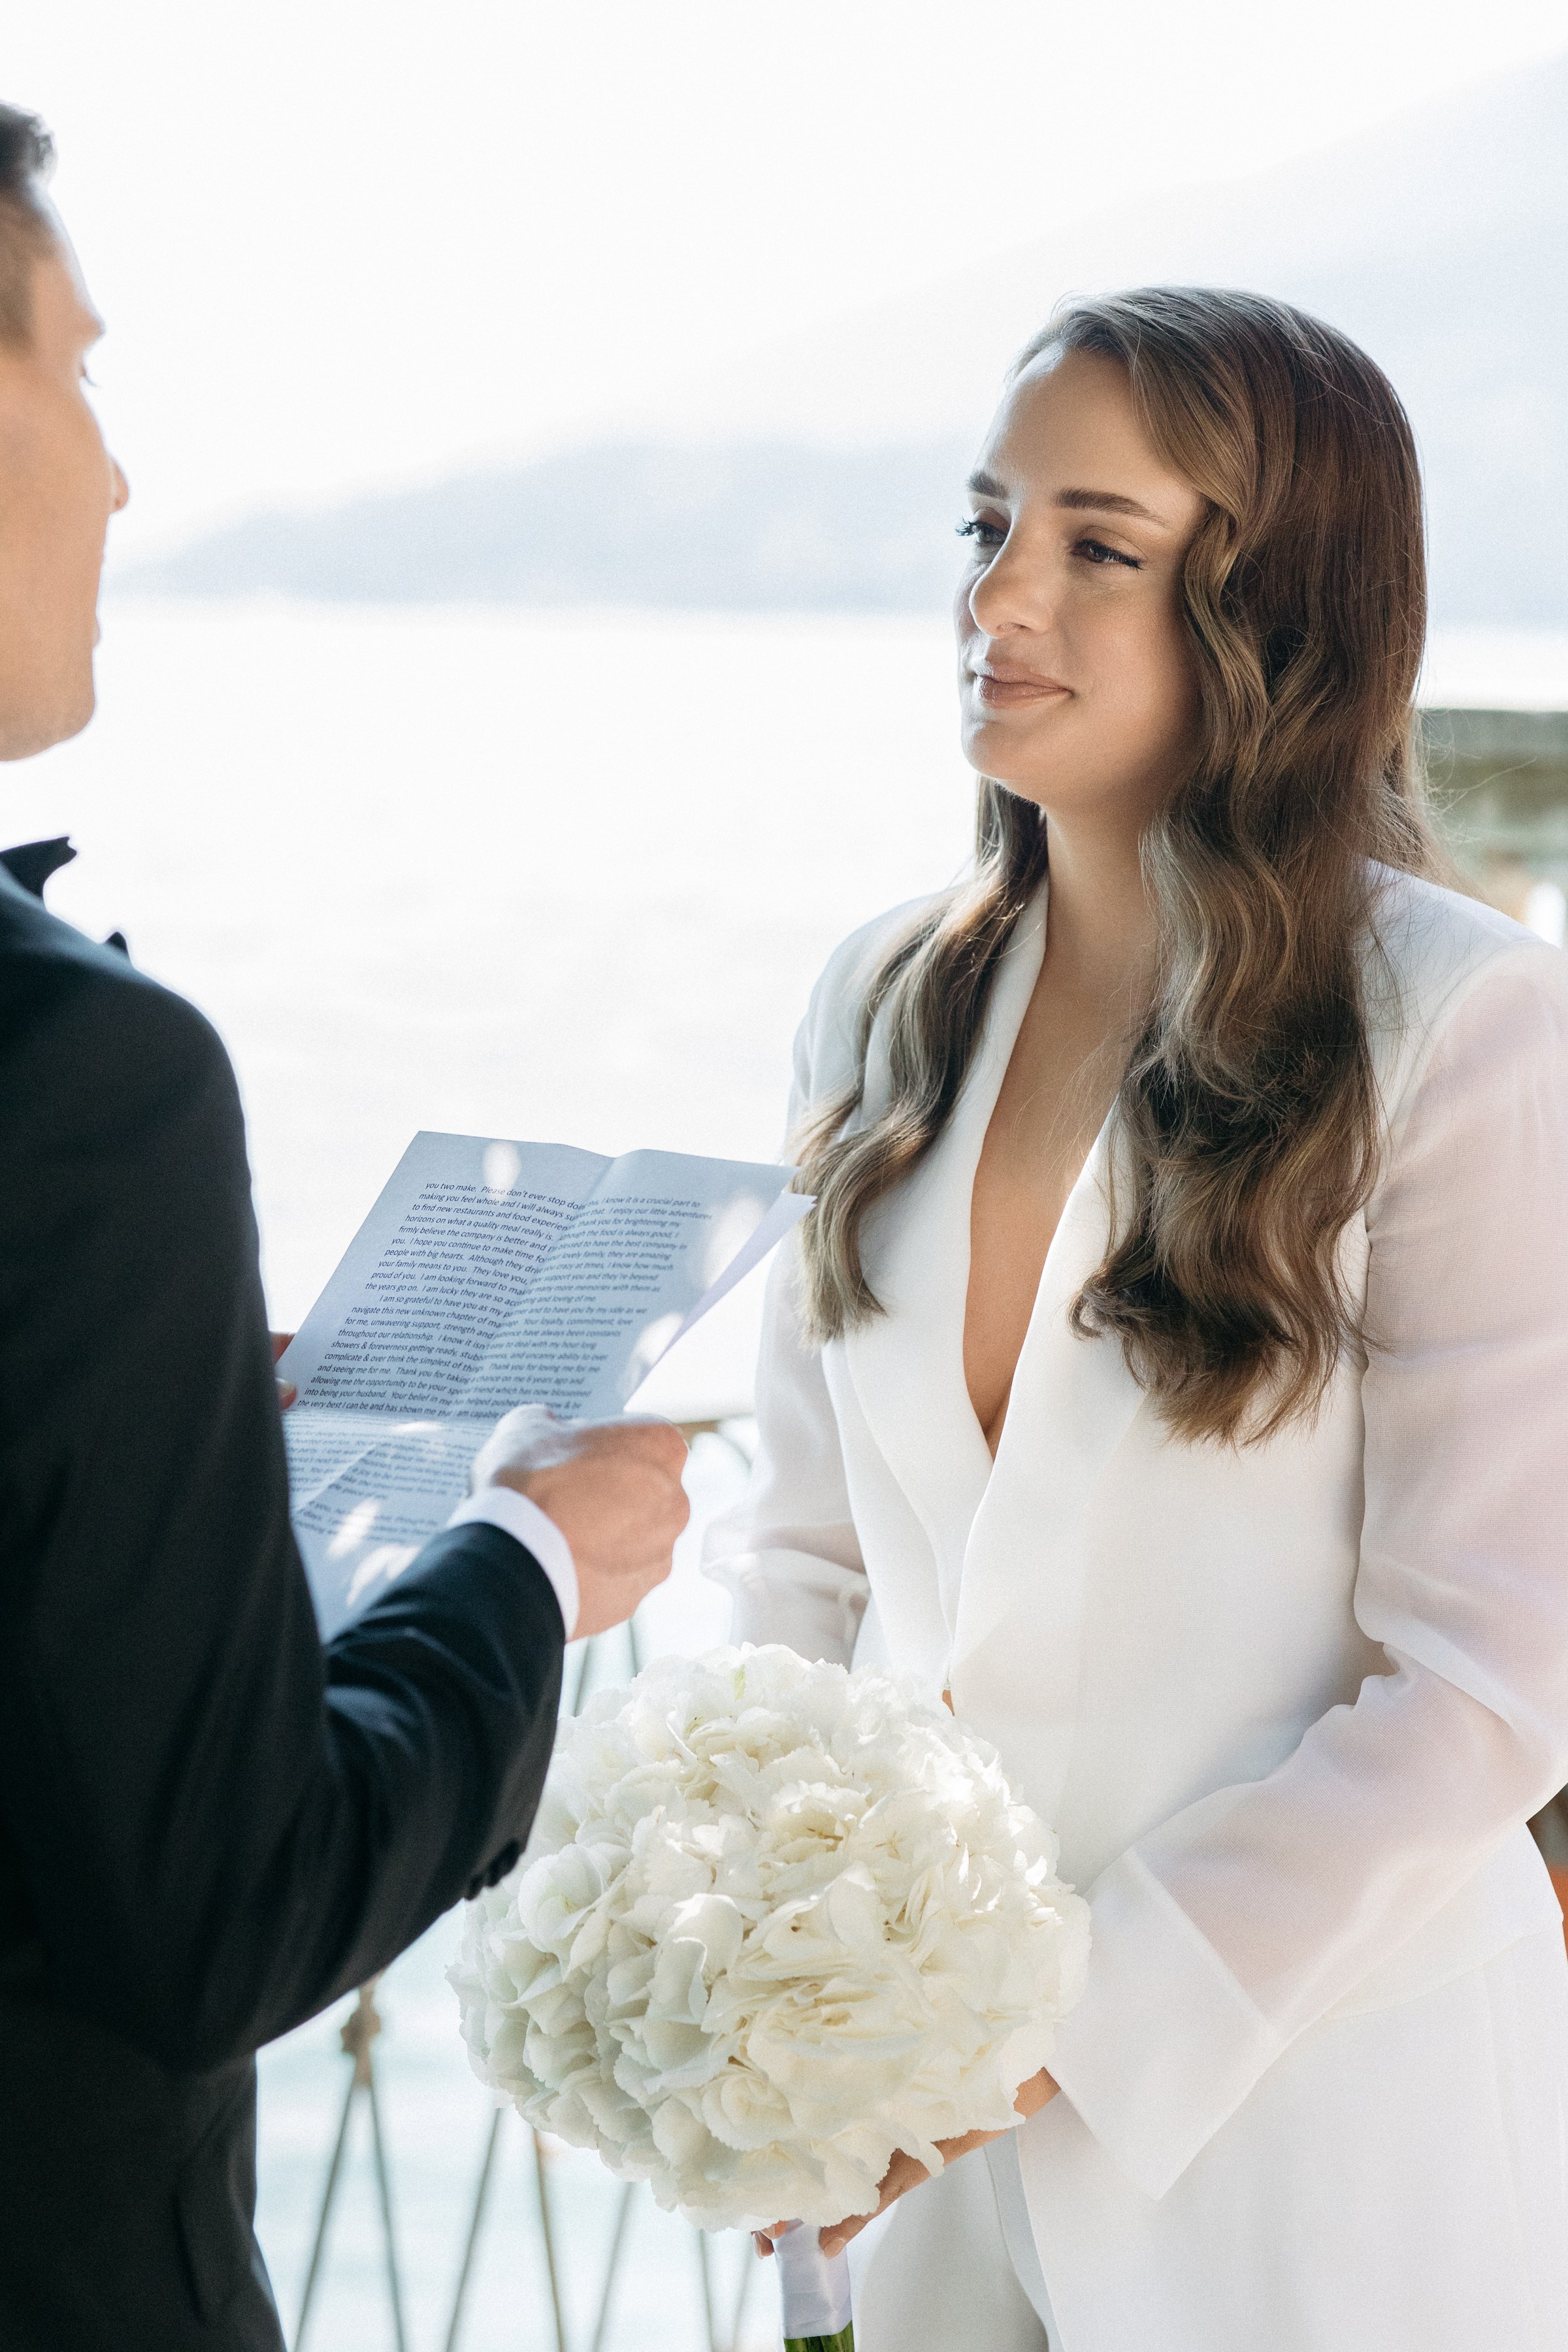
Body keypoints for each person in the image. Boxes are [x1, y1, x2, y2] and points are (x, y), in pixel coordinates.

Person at [711, 287, 1568, 2350]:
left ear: (1277, 610)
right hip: (906, 2182)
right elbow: (807, 1562)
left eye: (1101, 545)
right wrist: (749, 1978)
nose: (1001, 595)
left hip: (1324, 2152)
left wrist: (1037, 2037)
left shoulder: (1466, 1030)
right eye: (989, 525)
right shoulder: (880, 1000)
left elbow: (1480, 1686)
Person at [0, 107, 690, 2351]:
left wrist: (167, 1413)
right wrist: (532, 1562)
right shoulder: (80, 1080)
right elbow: (219, 1912)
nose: (115, 478)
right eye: (75, 373)